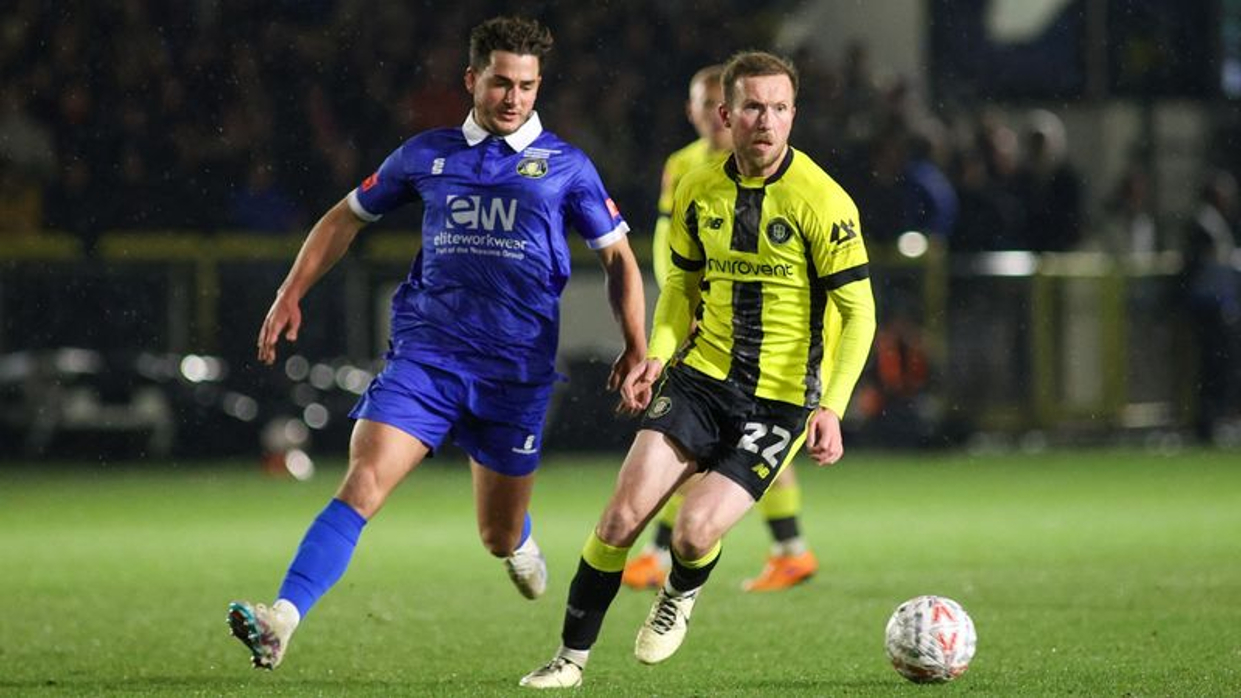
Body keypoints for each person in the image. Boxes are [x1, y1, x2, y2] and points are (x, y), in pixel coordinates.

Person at [227, 16, 647, 671]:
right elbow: (345, 219)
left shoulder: (567, 166)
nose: (513, 98)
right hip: (427, 358)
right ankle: (281, 617)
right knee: (362, 483)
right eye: (501, 83)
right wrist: (291, 292)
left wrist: (636, 346)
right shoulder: (425, 154)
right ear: (471, 80)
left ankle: (518, 539)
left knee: (496, 532)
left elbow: (620, 261)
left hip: (515, 375)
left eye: (527, 86)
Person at [520, 50, 876, 689]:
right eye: (753, 107)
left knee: (691, 533)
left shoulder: (824, 202)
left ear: (794, 114)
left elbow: (860, 314)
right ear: (726, 113)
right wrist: (656, 356)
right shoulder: (694, 184)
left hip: (779, 401)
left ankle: (678, 595)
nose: (766, 120)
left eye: (779, 107)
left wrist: (833, 406)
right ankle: (568, 660)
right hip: (700, 378)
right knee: (620, 519)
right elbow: (680, 289)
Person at [622, 64, 819, 594]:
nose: (714, 115)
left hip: (751, 332)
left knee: (715, 439)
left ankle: (664, 553)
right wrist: (679, 309)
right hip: (700, 322)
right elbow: (670, 246)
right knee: (710, 438)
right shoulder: (685, 167)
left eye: (720, 104)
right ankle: (786, 548)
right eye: (704, 105)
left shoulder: (776, 172)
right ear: (694, 112)